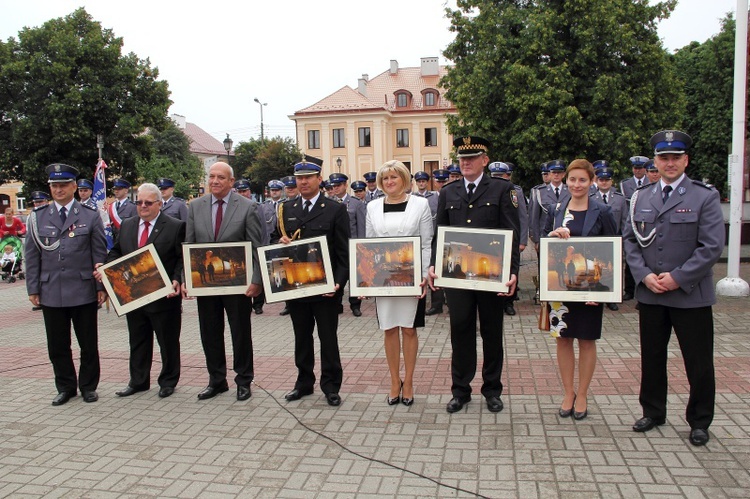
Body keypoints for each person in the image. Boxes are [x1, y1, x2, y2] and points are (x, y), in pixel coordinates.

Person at [624, 130, 724, 447]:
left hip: (690, 294)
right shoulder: (642, 196)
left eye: (675, 157)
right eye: (663, 158)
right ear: (655, 161)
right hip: (651, 292)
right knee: (652, 357)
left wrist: (677, 277)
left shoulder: (704, 196)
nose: (669, 163)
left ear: (685, 160)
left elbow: (711, 247)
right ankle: (653, 412)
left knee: (698, 360)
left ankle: (699, 420)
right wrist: (643, 275)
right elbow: (630, 240)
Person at [428, 136, 520, 414]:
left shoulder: (503, 189)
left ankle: (492, 390)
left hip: (491, 276)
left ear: (484, 160)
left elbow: (512, 233)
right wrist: (434, 264)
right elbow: (439, 233)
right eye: (461, 159)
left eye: (471, 158)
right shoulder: (449, 191)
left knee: (492, 333)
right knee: (461, 333)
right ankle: (461, 391)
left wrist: (513, 271)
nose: (465, 163)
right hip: (457, 277)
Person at [24, 163, 107, 406]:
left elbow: (98, 255)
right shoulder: (38, 218)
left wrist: (101, 288)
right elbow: (32, 256)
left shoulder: (89, 216)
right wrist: (33, 288)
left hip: (83, 290)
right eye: (54, 186)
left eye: (63, 186)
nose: (58, 190)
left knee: (88, 344)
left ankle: (88, 386)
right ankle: (65, 386)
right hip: (51, 290)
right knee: (58, 345)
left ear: (74, 187)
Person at [271, 156, 350, 407]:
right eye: (299, 178)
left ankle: (331, 385)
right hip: (297, 286)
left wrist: (338, 283)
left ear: (319, 179)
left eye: (308, 177)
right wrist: (278, 243)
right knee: (301, 337)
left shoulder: (335, 209)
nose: (303, 182)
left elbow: (342, 252)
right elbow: (274, 241)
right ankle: (303, 383)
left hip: (326, 289)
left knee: (328, 338)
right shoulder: (285, 209)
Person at [182, 162, 264, 402]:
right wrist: (188, 278)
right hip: (207, 285)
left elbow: (257, 247)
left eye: (220, 177)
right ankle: (216, 380)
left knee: (240, 332)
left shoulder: (248, 207)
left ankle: (243, 380)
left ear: (231, 181)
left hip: (238, 284)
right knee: (209, 333)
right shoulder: (195, 207)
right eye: (211, 176)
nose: (215, 181)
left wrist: (256, 280)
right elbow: (189, 244)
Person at [544, 159, 617, 421]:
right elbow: (543, 243)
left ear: (591, 181)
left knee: (586, 341)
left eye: (582, 180)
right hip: (561, 289)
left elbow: (613, 250)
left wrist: (603, 291)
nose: (577, 184)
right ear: (566, 180)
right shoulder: (556, 210)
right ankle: (567, 392)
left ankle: (583, 394)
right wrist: (553, 237)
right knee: (563, 339)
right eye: (572, 179)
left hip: (591, 290)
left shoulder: (603, 211)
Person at [97, 183, 185, 399]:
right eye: (139, 202)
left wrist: (177, 279)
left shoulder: (174, 226)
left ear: (159, 204)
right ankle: (138, 381)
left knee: (167, 342)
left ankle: (168, 381)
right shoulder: (127, 224)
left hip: (164, 297)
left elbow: (182, 258)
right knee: (137, 340)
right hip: (133, 297)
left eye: (148, 203)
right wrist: (107, 269)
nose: (143, 206)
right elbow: (116, 251)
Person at [365, 161, 433, 406]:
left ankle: (410, 381)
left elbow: (427, 243)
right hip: (384, 278)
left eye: (394, 177)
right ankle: (395, 380)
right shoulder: (372, 207)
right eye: (385, 179)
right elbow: (368, 244)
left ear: (404, 179)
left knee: (409, 329)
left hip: (411, 276)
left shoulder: (421, 204)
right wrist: (367, 279)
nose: (389, 182)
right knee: (389, 328)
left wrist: (423, 274)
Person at [489, 161, 528, 316]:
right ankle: (495, 301)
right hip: (493, 239)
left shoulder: (515, 191)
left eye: (501, 176)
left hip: (512, 237)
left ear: (508, 176)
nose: (498, 179)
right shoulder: (486, 191)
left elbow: (522, 217)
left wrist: (522, 240)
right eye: (495, 176)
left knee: (512, 270)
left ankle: (509, 303)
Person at [590, 161, 627, 311]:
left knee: (614, 269)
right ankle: (599, 295)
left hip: (615, 239)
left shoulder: (620, 198)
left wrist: (624, 240)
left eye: (607, 180)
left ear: (612, 181)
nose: (604, 182)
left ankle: (612, 297)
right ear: (596, 181)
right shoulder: (591, 198)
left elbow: (625, 221)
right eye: (601, 180)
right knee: (597, 269)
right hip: (597, 241)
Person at [329, 172, 366, 316]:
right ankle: (337, 303)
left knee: (355, 276)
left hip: (353, 245)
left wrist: (361, 246)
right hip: (336, 247)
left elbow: (361, 226)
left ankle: (355, 305)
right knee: (338, 276)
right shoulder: (328, 203)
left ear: (345, 185)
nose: (336, 188)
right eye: (334, 186)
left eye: (338, 185)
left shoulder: (356, 204)